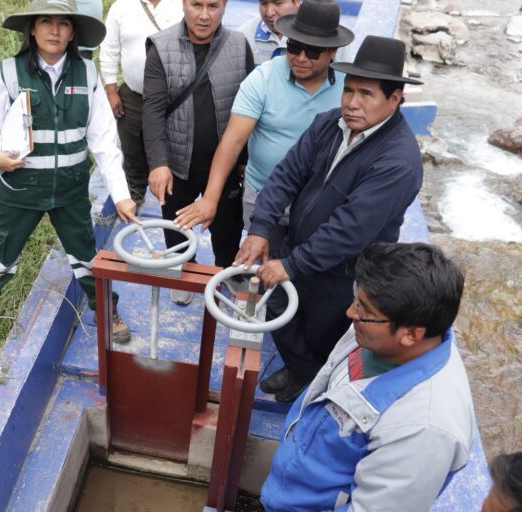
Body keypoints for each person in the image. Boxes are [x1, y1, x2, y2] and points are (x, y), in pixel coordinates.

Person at [233, 35, 424, 402]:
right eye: (348, 90)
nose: (352, 103)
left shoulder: (398, 161)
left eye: (366, 94)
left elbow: (350, 231)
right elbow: (286, 175)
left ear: (395, 98)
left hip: (343, 270)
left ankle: (312, 383)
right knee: (278, 306)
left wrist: (291, 264)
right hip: (299, 245)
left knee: (323, 331)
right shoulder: (329, 123)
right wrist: (260, 229)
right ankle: (300, 370)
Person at [0, 0, 139, 348]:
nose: (55, 31)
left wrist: (121, 194)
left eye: (63, 24)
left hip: (69, 189)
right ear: (32, 29)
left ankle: (106, 310)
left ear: (73, 33)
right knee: (0, 255)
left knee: (87, 255)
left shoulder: (87, 74)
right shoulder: (9, 72)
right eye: (46, 22)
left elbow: (103, 140)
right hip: (19, 188)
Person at [261, 242, 477, 511]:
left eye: (363, 310)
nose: (351, 313)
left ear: (411, 334)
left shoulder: (423, 430)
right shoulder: (378, 330)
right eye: (357, 300)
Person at [176, 0, 353, 233]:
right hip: (263, 193)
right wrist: (210, 197)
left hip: (320, 200)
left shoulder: (349, 88)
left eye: (312, 51)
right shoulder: (263, 78)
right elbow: (233, 141)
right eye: (294, 47)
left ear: (333, 53)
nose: (300, 58)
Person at [142, 0, 253, 305]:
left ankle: (227, 273)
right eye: (197, 5)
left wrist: (244, 160)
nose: (204, 15)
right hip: (177, 163)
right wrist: (158, 163)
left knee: (228, 227)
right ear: (184, 4)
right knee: (176, 222)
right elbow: (152, 110)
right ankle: (183, 272)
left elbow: (250, 107)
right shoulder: (160, 47)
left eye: (213, 6)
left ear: (225, 7)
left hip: (225, 163)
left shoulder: (238, 45)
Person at [100, 0, 183, 203]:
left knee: (175, 145)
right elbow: (109, 51)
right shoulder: (121, 7)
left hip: (174, 98)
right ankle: (135, 192)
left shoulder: (183, 4)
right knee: (132, 147)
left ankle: (174, 196)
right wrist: (111, 92)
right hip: (134, 95)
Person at [236, 0, 299, 64]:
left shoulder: (309, 35)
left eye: (278, 3)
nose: (269, 13)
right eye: (263, 3)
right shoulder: (242, 37)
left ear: (297, 2)